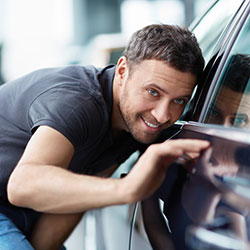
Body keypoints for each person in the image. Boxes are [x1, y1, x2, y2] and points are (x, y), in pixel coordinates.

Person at [0, 24, 209, 249]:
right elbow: (23, 186)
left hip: (26, 211)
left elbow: (76, 201)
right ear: (122, 71)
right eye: (153, 92)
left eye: (179, 100)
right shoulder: (77, 103)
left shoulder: (135, 124)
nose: (162, 115)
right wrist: (126, 189)